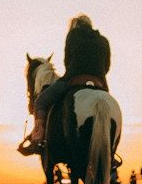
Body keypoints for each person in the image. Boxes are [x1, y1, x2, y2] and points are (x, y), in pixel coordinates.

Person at [22, 15, 116, 167]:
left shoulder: (72, 35)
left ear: (75, 25)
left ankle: (38, 139)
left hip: (73, 78)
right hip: (100, 82)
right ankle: (110, 154)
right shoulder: (103, 40)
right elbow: (107, 66)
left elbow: (67, 62)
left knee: (41, 101)